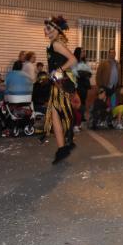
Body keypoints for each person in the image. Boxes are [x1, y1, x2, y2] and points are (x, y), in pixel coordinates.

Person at [42, 16, 77, 164]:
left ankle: (64, 146)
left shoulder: (56, 44)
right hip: (58, 82)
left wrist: (58, 70)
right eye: (45, 28)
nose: (45, 30)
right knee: (57, 114)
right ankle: (65, 145)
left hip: (60, 83)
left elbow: (73, 60)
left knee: (56, 114)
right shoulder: (54, 44)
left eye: (49, 28)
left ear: (57, 31)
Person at [72, 47, 92, 124]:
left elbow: (89, 72)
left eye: (84, 51)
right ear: (78, 53)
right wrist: (83, 73)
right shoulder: (74, 61)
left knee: (83, 100)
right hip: (78, 83)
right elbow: (74, 72)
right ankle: (76, 116)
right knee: (77, 100)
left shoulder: (85, 62)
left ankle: (82, 115)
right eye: (82, 52)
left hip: (84, 84)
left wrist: (84, 73)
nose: (84, 53)